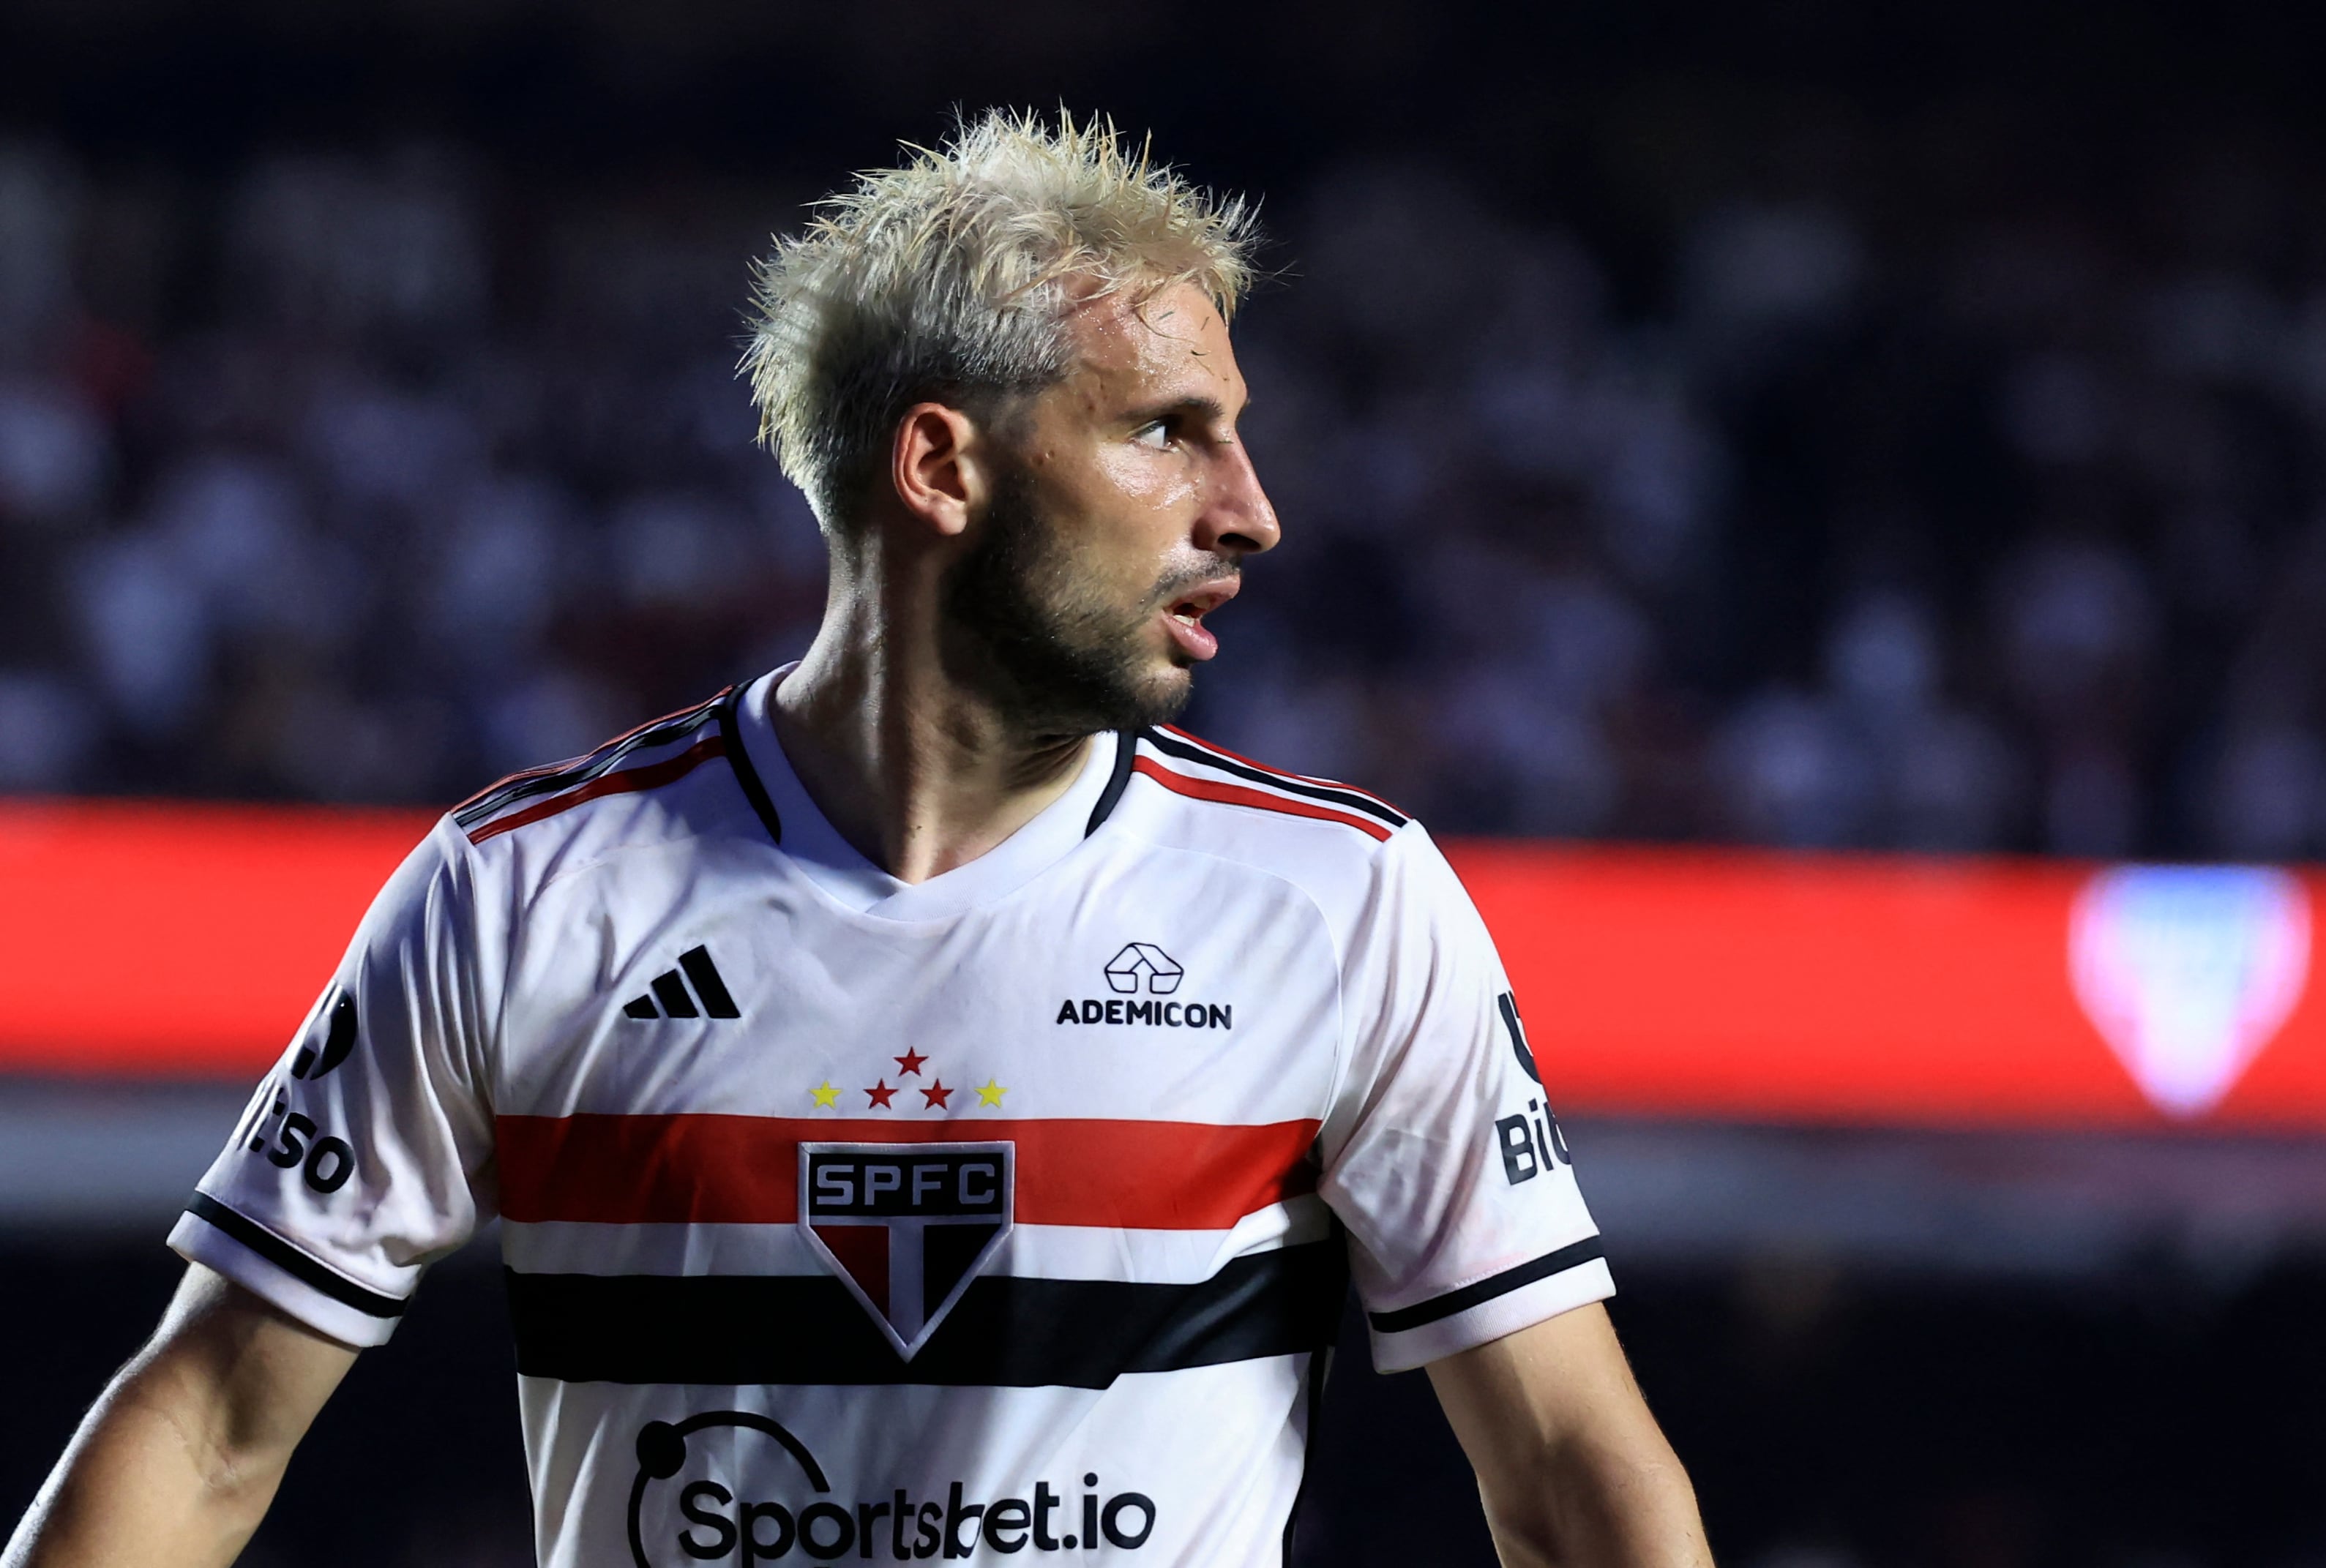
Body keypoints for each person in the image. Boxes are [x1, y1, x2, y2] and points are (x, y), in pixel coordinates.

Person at [4, 111, 1711, 1568]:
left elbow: (1570, 1475)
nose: (1248, 506)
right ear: (941, 468)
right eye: (1164, 429)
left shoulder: (1343, 902)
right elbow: (213, 1419)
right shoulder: (519, 896)